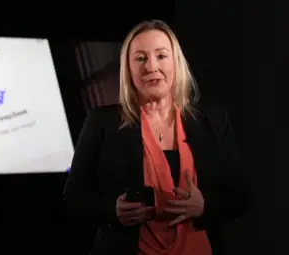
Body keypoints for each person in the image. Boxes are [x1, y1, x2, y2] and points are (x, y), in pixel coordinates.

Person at [63, 20, 250, 255]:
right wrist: (113, 210)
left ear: (176, 62)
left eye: (161, 56)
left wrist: (204, 206)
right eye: (140, 58)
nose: (151, 66)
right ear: (128, 69)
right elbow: (73, 199)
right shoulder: (102, 122)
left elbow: (240, 196)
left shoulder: (213, 120)